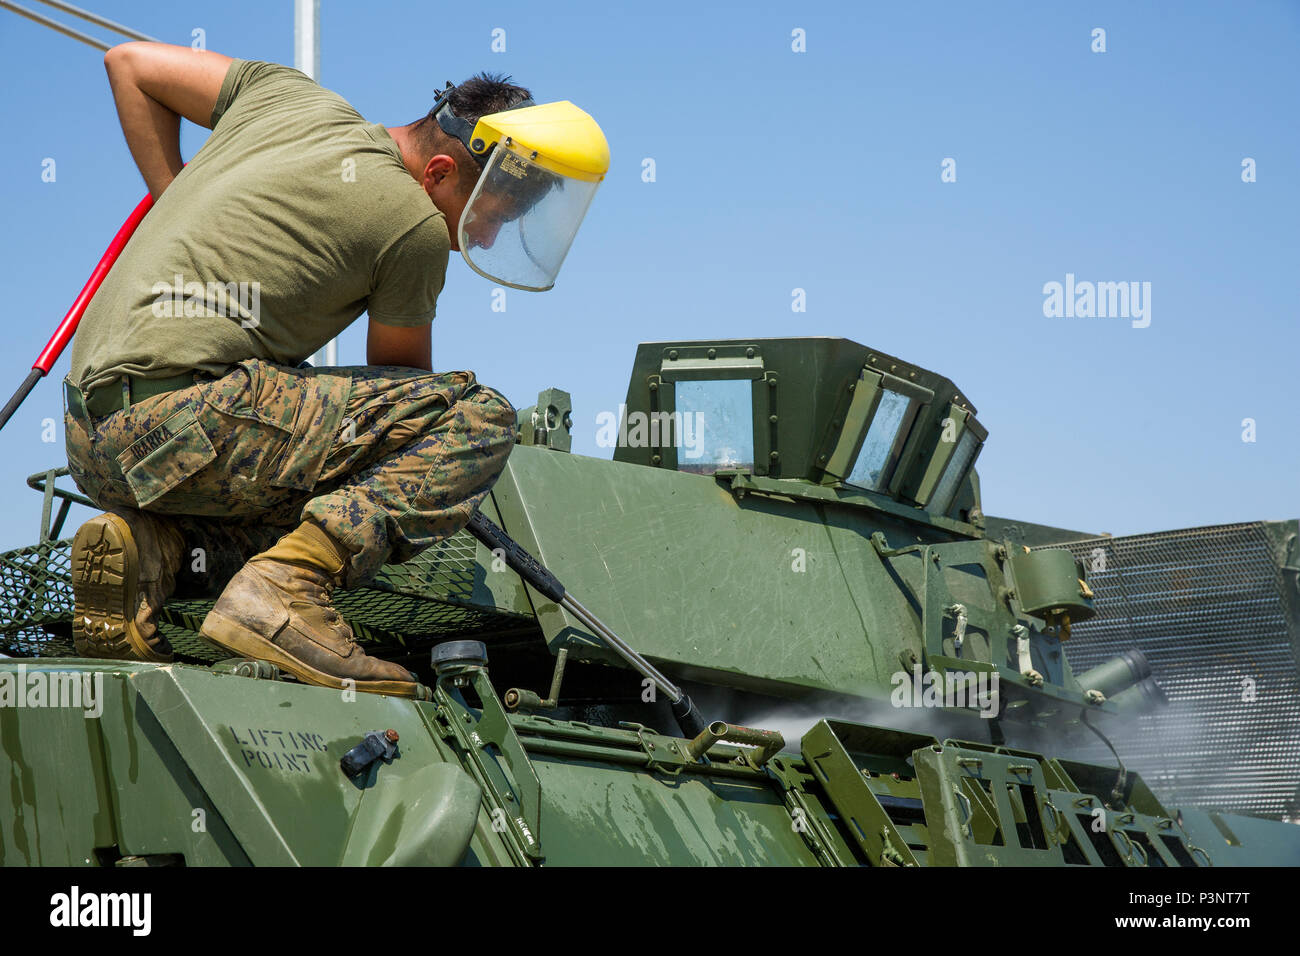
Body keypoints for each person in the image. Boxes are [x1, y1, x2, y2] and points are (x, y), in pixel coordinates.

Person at [62, 41, 606, 699]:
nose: (480, 242)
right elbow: (411, 405)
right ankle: (284, 594)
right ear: (437, 171)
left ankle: (152, 546)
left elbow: (128, 64)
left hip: (91, 439)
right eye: (486, 219)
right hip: (186, 422)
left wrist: (171, 197)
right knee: (475, 417)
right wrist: (441, 492)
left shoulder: (284, 96)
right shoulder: (414, 228)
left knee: (310, 513)